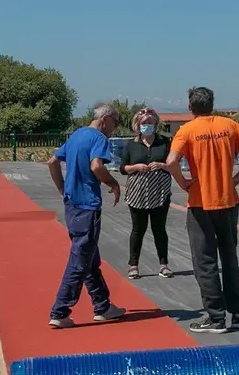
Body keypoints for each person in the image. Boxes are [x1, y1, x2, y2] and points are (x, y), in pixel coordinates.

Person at [166, 86, 239, 333]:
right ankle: (238, 312)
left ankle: (215, 317)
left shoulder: (187, 130)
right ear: (212, 105)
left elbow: (171, 162)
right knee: (229, 257)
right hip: (228, 201)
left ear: (190, 107)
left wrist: (184, 183)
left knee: (205, 261)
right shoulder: (228, 125)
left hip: (201, 204)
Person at [46, 103, 127, 328]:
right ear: (105, 119)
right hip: (87, 206)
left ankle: (102, 305)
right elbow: (96, 166)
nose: (115, 128)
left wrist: (62, 188)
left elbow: (53, 161)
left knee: (90, 258)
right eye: (115, 122)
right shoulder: (99, 138)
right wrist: (113, 183)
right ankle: (60, 310)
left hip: (72, 204)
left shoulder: (76, 135)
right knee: (80, 260)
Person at [120, 108, 174, 279]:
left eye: (150, 123)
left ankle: (164, 264)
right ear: (137, 125)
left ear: (156, 124)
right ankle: (133, 265)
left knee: (159, 229)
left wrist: (162, 165)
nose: (147, 126)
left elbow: (174, 164)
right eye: (144, 123)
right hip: (137, 192)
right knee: (138, 229)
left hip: (160, 191)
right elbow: (123, 168)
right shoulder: (131, 144)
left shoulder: (165, 142)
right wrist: (135, 167)